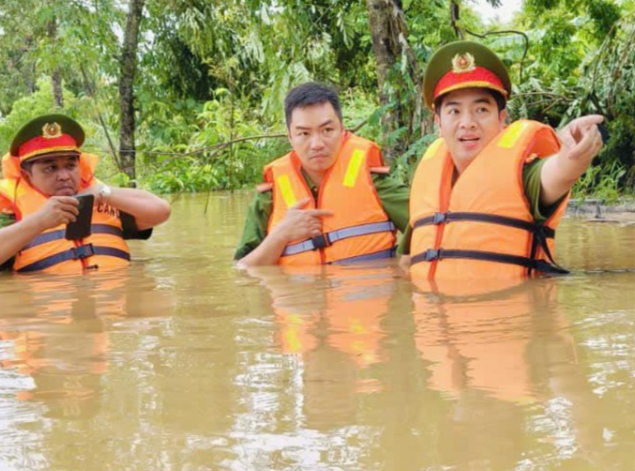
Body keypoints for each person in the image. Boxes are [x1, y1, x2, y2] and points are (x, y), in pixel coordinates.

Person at [403, 40, 604, 293]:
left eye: (481, 109)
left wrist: (573, 156)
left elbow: (557, 173)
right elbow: (405, 262)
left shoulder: (524, 174)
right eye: (454, 112)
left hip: (505, 325)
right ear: (438, 123)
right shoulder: (426, 183)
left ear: (501, 119)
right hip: (434, 326)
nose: (468, 123)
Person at [0, 113, 171, 274]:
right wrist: (40, 220)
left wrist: (105, 194)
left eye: (70, 165)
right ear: (27, 174)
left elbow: (161, 211)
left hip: (111, 313)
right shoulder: (12, 213)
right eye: (51, 168)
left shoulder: (101, 199)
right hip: (53, 315)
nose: (64, 176)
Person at [235, 82, 410, 267]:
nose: (317, 143)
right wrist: (281, 234)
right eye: (304, 133)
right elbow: (243, 270)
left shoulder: (373, 180)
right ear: (290, 137)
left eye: (327, 130)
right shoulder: (269, 196)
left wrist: (405, 262)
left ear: (342, 130)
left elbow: (428, 226)